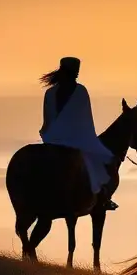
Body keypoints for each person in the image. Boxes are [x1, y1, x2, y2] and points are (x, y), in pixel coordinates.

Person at [39, 57, 118, 211]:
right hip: (75, 139)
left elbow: (46, 120)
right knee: (106, 159)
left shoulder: (50, 92)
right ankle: (103, 198)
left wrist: (46, 134)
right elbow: (86, 122)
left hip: (52, 138)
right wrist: (90, 141)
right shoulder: (81, 91)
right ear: (75, 72)